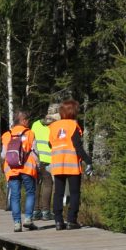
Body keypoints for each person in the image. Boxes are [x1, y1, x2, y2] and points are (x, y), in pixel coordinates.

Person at [49, 98, 92, 230]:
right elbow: (77, 146)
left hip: (57, 164)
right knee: (74, 193)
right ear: (74, 112)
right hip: (71, 164)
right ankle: (71, 221)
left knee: (58, 193)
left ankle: (58, 221)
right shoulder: (74, 126)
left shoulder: (53, 126)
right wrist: (88, 161)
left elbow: (50, 143)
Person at [0, 110, 38, 232]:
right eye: (27, 120)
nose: (29, 122)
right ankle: (28, 219)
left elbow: (3, 155)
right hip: (27, 168)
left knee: (15, 196)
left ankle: (17, 223)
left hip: (11, 170)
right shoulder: (30, 134)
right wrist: (38, 167)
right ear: (22, 120)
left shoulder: (6, 135)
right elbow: (36, 153)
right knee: (30, 193)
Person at [30, 104, 58, 220]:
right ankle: (46, 212)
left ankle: (36, 211)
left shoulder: (36, 124)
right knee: (48, 185)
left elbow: (31, 141)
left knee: (36, 185)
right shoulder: (55, 126)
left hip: (36, 159)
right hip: (49, 160)